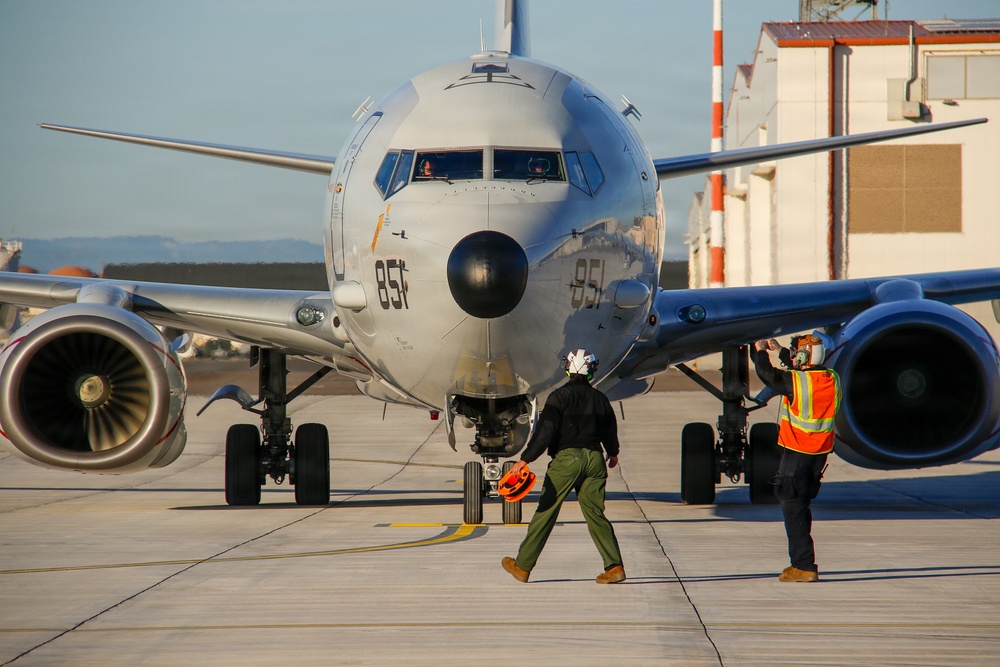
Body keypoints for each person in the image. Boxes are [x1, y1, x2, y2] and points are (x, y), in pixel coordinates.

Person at [501, 349, 625, 584]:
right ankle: (614, 566)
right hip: (595, 459)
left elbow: (546, 431)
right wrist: (613, 453)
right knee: (596, 514)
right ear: (591, 371)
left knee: (546, 511)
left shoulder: (559, 396)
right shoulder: (601, 399)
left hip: (567, 460)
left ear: (568, 369)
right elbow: (610, 430)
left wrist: (525, 459)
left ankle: (522, 566)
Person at [753, 334, 842, 583]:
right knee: (801, 506)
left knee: (793, 508)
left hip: (797, 454)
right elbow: (798, 372)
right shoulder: (831, 379)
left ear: (802, 357)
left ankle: (803, 566)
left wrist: (760, 351)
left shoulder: (796, 382)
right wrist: (779, 350)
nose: (793, 356)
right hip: (818, 456)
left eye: (795, 353)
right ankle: (803, 563)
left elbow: (767, 375)